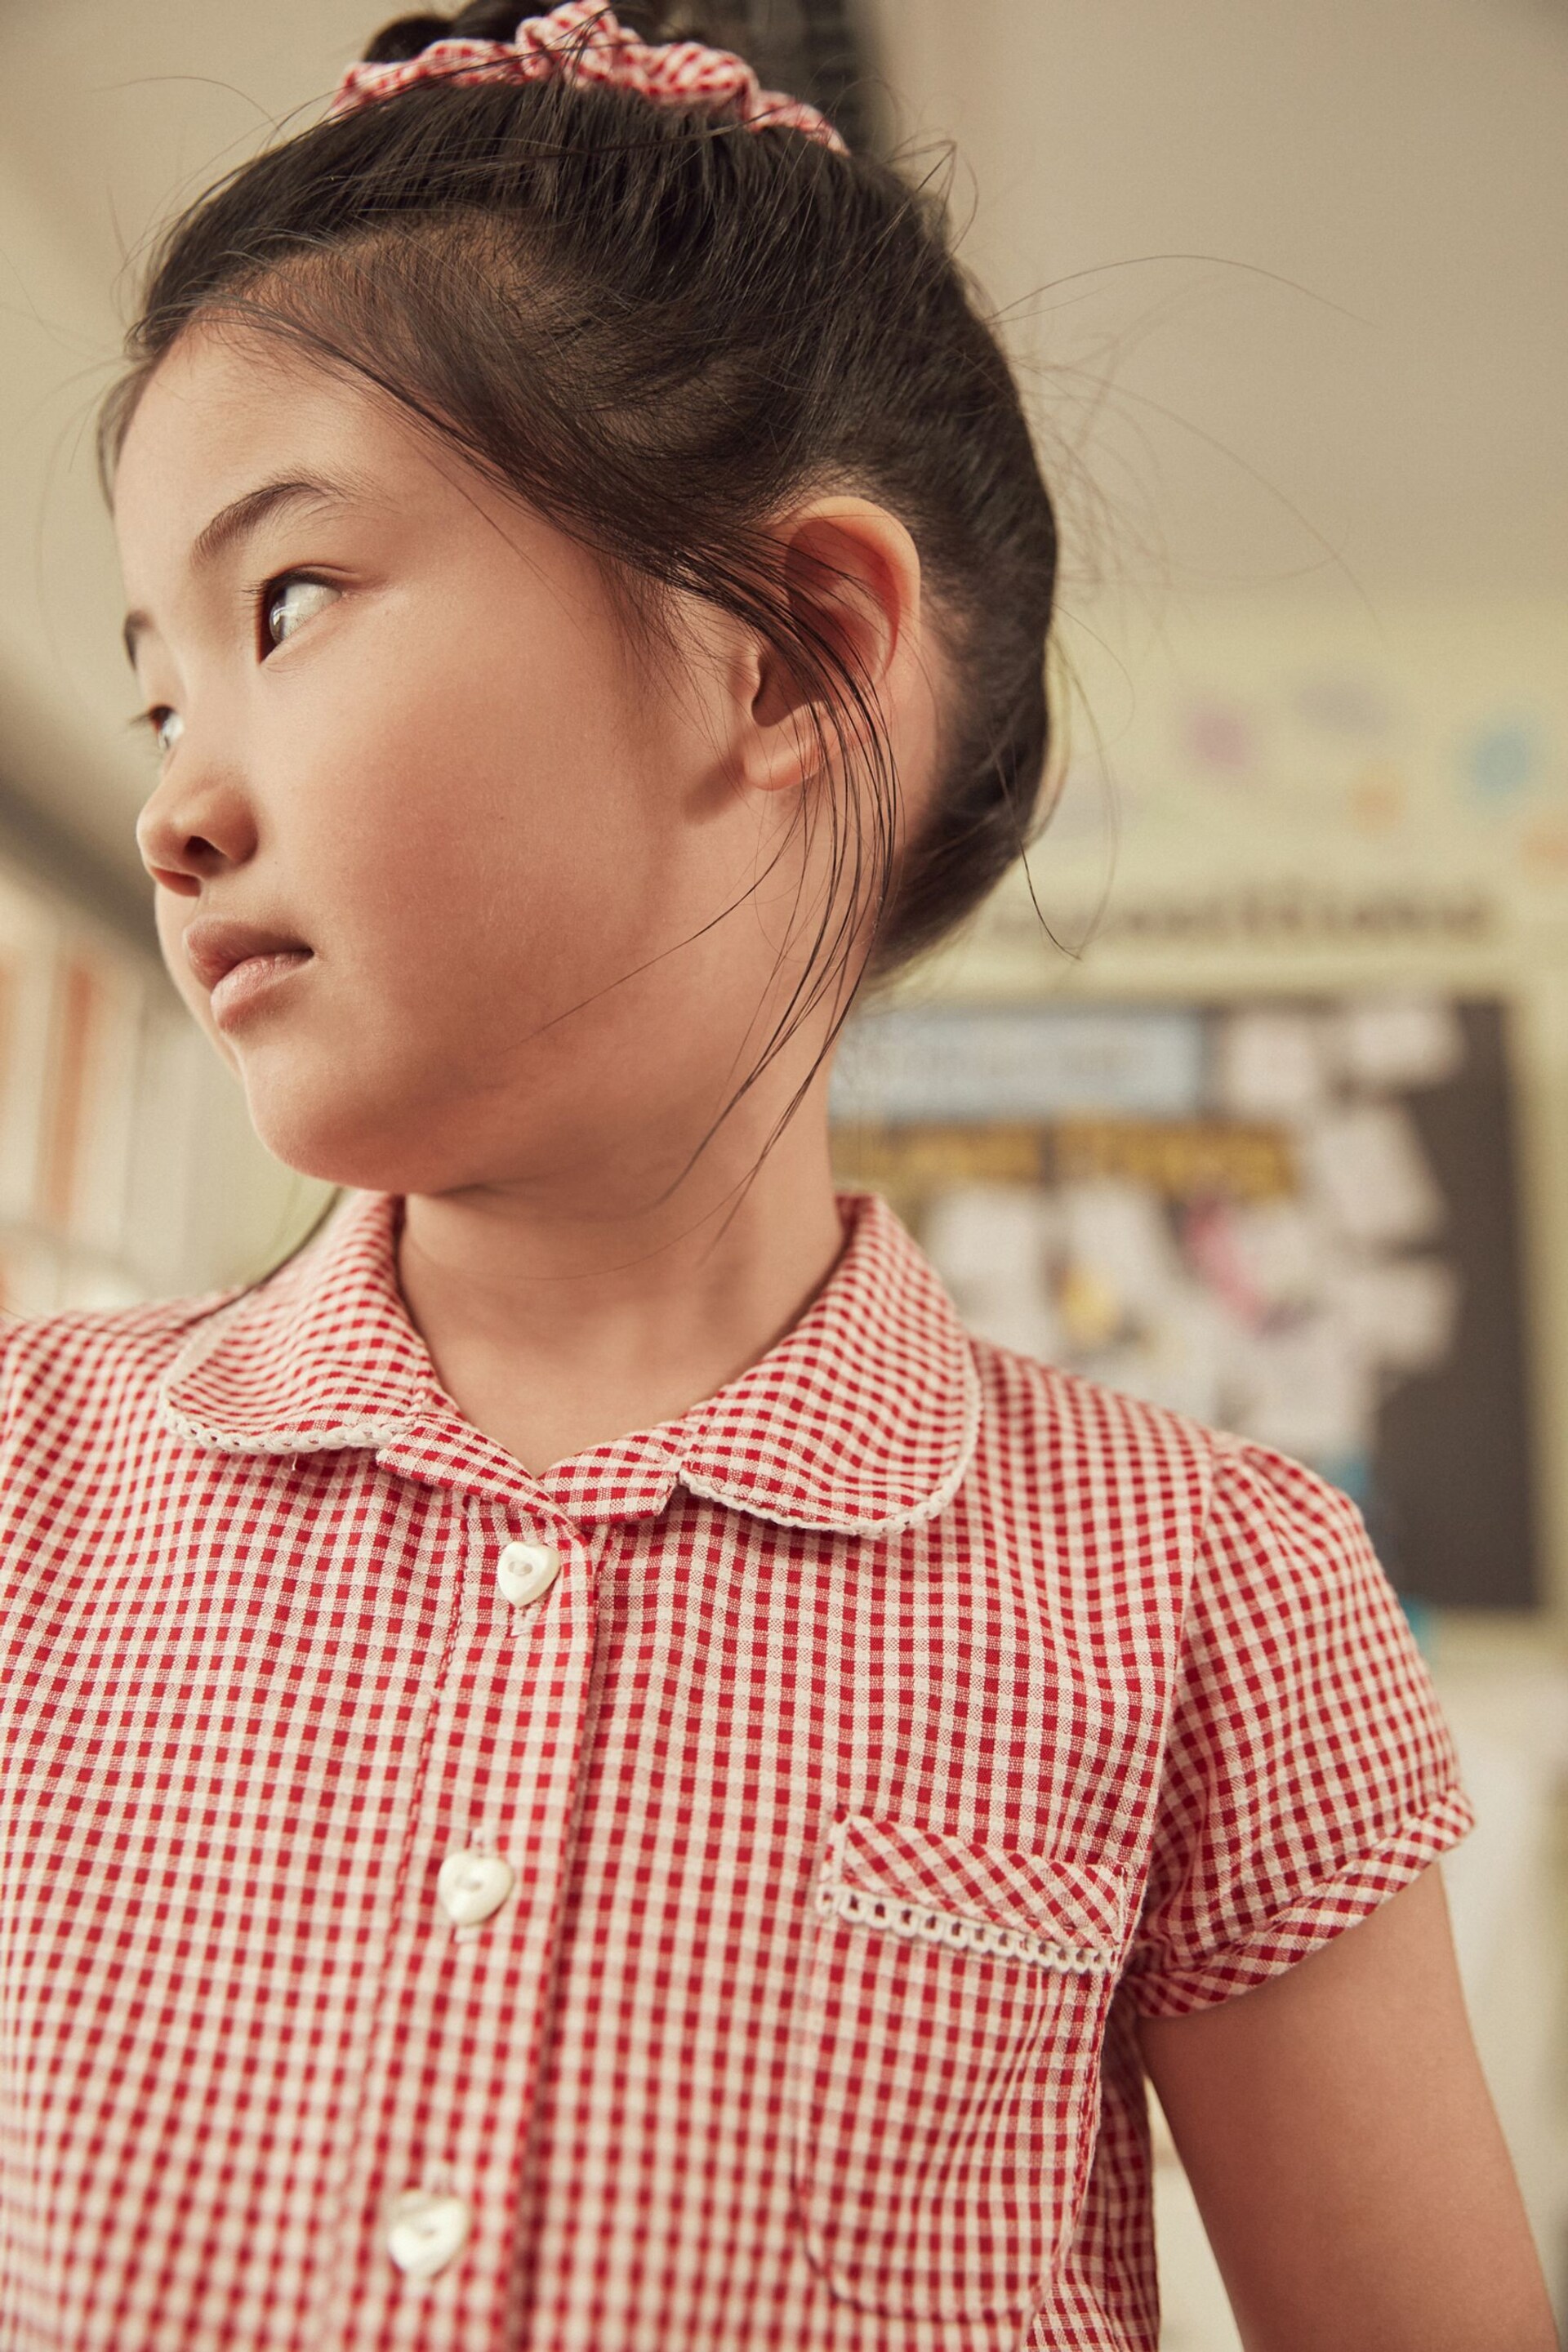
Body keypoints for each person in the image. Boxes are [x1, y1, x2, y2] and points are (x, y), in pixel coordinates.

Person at [0, 6, 1553, 2347]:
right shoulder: (25, 1490)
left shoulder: (1207, 1591)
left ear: (792, 654)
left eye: (289, 604)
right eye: (158, 692)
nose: (175, 803)